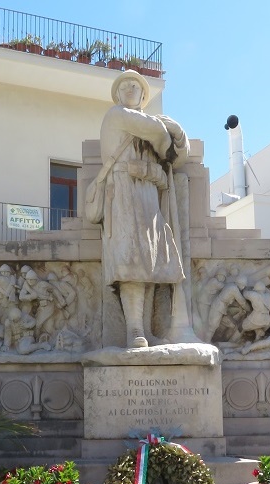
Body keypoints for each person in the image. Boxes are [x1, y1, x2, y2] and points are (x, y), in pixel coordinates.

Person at [88, 70, 190, 348]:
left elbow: (178, 156)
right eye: (125, 86)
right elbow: (158, 134)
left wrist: (177, 133)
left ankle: (144, 328)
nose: (130, 88)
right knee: (130, 258)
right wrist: (169, 132)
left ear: (145, 96)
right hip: (122, 191)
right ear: (118, 94)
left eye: (136, 86)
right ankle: (134, 329)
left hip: (147, 195)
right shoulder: (118, 115)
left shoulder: (146, 124)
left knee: (149, 260)